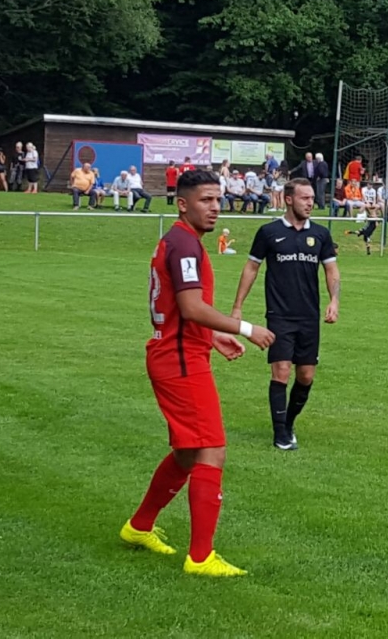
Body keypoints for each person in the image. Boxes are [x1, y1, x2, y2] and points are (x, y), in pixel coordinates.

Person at [120, 170, 275, 577]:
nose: (215, 207)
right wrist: (245, 328)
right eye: (206, 200)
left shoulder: (180, 241)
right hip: (180, 361)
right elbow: (190, 308)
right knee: (211, 449)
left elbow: (180, 311)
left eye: (218, 200)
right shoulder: (185, 244)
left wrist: (212, 337)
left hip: (178, 353)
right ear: (182, 204)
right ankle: (201, 558)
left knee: (188, 452)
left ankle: (139, 527)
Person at [231, 179, 340, 451]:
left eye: (312, 198)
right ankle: (280, 434)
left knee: (306, 376)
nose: (310, 203)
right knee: (281, 370)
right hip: (279, 314)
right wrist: (238, 306)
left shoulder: (321, 234)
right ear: (289, 199)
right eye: (305, 198)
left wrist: (334, 300)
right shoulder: (269, 232)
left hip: (309, 316)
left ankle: (288, 423)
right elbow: (251, 268)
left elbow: (331, 270)